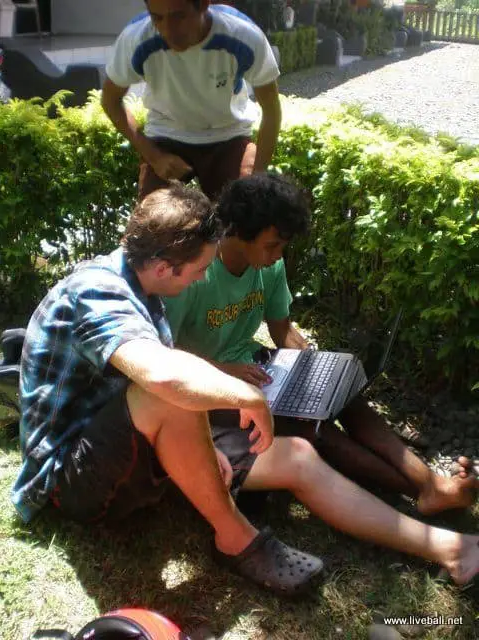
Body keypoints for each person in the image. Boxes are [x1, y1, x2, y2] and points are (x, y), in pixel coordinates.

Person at [164, 173, 479, 586]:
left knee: (344, 396)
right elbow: (164, 360)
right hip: (211, 389)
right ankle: (418, 490)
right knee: (314, 430)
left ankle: (427, 484)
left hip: (259, 371)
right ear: (238, 232)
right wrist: (225, 371)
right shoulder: (199, 274)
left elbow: (281, 329)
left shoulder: (268, 268)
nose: (277, 256)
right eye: (272, 245)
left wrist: (311, 362)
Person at [11, 183, 325, 596]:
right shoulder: (97, 291)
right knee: (169, 387)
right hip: (64, 482)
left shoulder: (144, 287)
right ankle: (236, 539)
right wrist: (245, 395)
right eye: (198, 271)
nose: (199, 282)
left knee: (179, 389)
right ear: (163, 266)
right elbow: (160, 377)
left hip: (110, 446)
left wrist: (204, 450)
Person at [101, 0, 281, 201]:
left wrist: (257, 179)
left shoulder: (244, 36)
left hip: (229, 135)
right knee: (153, 225)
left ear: (204, 5)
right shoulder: (135, 39)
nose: (168, 30)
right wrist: (154, 156)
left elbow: (272, 111)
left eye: (179, 16)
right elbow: (110, 101)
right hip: (165, 136)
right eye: (157, 18)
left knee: (243, 217)